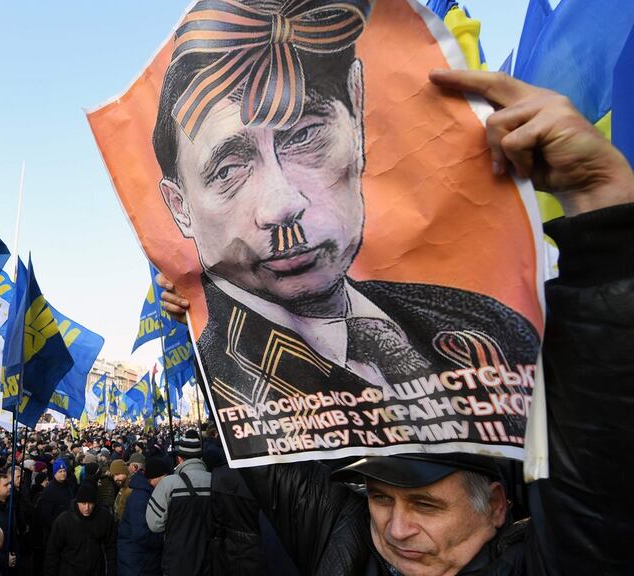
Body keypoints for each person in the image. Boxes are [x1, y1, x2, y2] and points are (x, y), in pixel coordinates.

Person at [156, 67, 634, 574]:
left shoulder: (486, 324)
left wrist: (600, 205)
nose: (395, 527)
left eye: (426, 503)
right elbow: (269, 447)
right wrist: (203, 307)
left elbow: (600, 454)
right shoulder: (346, 544)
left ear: (497, 506)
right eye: (381, 498)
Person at [151, 0, 541, 460]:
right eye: (229, 168)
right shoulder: (232, 379)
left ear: (357, 109)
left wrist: (598, 210)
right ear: (181, 207)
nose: (281, 206)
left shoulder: (491, 328)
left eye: (302, 136)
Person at [146, 430, 212, 576]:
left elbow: (154, 524)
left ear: (179, 459)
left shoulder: (168, 484)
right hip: (210, 558)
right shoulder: (216, 481)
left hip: (177, 560)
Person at [44, 483, 117, 576]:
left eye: (90, 503)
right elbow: (52, 551)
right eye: (83, 503)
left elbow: (111, 547)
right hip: (70, 570)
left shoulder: (104, 518)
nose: (87, 508)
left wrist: (111, 571)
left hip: (96, 570)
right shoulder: (63, 520)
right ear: (77, 502)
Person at [117, 458, 167, 576]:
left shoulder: (146, 492)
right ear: (156, 478)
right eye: (165, 477)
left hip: (142, 559)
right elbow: (141, 534)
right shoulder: (140, 498)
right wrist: (165, 539)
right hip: (137, 562)